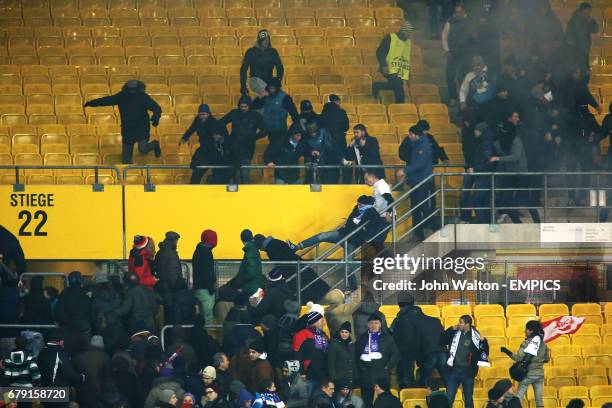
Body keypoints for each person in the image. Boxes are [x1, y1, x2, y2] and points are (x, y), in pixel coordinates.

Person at [83, 80, 161, 164]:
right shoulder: (123, 96)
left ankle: (155, 144)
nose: (132, 92)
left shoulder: (142, 97)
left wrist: (156, 117)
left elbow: (156, 108)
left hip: (141, 127)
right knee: (126, 160)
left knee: (143, 148)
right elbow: (107, 100)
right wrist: (91, 103)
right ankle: (128, 175)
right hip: (128, 128)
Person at [491, 112, 541, 224]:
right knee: (505, 202)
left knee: (526, 201)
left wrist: (498, 159)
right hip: (511, 175)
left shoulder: (516, 140)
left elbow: (515, 157)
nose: (502, 132)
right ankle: (518, 224)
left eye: (504, 130)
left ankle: (538, 224)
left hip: (521, 175)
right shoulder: (504, 142)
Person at [440, 315, 490, 408]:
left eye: (461, 322)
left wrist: (484, 341)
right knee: (449, 398)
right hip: (454, 371)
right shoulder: (454, 333)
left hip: (468, 372)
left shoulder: (476, 336)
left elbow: (485, 351)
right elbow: (441, 341)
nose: (459, 324)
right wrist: (451, 329)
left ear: (467, 324)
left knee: (468, 400)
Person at [355, 312, 400, 408]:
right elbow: (355, 356)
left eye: (376, 323)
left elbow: (396, 354)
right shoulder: (361, 338)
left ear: (380, 324)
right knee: (367, 403)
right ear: (367, 325)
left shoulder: (387, 338)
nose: (373, 325)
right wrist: (360, 369)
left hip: (382, 377)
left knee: (383, 403)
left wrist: (388, 366)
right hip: (366, 377)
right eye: (371, 323)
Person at [500, 320, 549, 408]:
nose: (525, 331)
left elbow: (518, 358)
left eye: (526, 329)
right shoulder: (543, 344)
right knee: (539, 400)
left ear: (531, 331)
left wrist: (506, 351)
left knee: (518, 398)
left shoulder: (526, 343)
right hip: (539, 375)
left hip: (527, 375)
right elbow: (546, 359)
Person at [219, 95, 265, 184]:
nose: (243, 108)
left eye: (245, 106)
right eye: (241, 106)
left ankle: (247, 196)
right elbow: (220, 123)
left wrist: (253, 137)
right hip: (233, 149)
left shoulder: (256, 116)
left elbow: (264, 130)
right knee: (235, 175)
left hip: (247, 149)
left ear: (249, 106)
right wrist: (227, 137)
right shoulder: (234, 113)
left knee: (244, 174)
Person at [403, 125, 435, 241]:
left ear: (416, 135)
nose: (409, 136)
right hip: (415, 180)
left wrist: (405, 170)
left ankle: (432, 226)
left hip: (423, 180)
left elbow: (420, 164)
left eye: (410, 134)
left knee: (422, 205)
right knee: (415, 207)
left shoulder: (424, 147)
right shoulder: (416, 146)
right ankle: (419, 233)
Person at [373, 21, 414, 103]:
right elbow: (379, 52)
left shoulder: (408, 42)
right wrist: (384, 64)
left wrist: (408, 71)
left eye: (410, 33)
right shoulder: (390, 38)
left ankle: (377, 86)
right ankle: (400, 106)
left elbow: (405, 57)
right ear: (403, 31)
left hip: (400, 69)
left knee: (396, 85)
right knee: (399, 88)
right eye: (408, 33)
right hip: (388, 67)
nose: (409, 35)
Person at [252, 78, 299, 146]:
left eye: (273, 88)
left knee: (275, 147)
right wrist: (260, 97)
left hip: (279, 129)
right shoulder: (265, 96)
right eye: (270, 88)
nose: (271, 90)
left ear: (277, 88)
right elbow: (254, 106)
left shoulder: (285, 98)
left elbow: (294, 113)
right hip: (267, 127)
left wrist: (296, 127)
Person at [464, 122, 496, 224]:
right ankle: (487, 222)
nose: (475, 131)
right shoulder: (484, 142)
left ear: (481, 131)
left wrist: (475, 169)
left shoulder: (485, 143)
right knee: (483, 201)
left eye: (476, 130)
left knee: (477, 200)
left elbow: (488, 162)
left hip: (484, 176)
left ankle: (483, 222)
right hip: (483, 175)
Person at [442, 2, 472, 103]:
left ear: (464, 12)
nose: (458, 14)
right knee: (450, 75)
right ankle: (453, 97)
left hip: (466, 55)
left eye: (460, 12)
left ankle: (464, 99)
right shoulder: (450, 22)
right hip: (453, 53)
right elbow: (444, 36)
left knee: (463, 77)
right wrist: (446, 50)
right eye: (456, 12)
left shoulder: (469, 22)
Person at [293, 304, 329, 388]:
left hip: (322, 375)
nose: (323, 323)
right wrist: (301, 373)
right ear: (315, 321)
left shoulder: (324, 335)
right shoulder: (301, 334)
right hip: (308, 376)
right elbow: (297, 355)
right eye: (321, 320)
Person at [390, 292, 421, 388]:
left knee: (405, 376)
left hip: (404, 350)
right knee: (408, 375)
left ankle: (405, 392)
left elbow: (392, 330)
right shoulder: (419, 315)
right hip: (414, 349)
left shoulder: (400, 317)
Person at [240, 29, 284, 95]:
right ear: (259, 41)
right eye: (263, 40)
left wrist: (278, 80)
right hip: (255, 79)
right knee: (267, 93)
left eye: (267, 40)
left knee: (281, 96)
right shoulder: (251, 52)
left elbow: (279, 67)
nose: (266, 42)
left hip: (269, 79)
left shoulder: (273, 52)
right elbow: (243, 69)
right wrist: (243, 86)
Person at [74, 335, 112, 407]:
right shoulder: (105, 356)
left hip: (81, 392)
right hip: (98, 392)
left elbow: (74, 374)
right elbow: (108, 375)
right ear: (102, 345)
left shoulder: (78, 356)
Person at [192, 229, 218, 324]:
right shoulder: (206, 253)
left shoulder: (198, 251)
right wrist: (211, 287)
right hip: (206, 289)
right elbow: (207, 272)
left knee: (200, 315)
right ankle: (207, 335)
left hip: (198, 287)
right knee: (208, 316)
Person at [304, 120, 341, 184]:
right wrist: (311, 152)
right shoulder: (307, 138)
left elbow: (331, 147)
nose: (313, 134)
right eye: (311, 132)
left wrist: (321, 154)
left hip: (327, 164)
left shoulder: (324, 133)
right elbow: (305, 149)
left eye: (314, 132)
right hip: (315, 163)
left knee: (328, 184)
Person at [321, 95, 350, 174]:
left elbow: (322, 125)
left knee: (329, 167)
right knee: (341, 166)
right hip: (340, 140)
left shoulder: (324, 112)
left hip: (327, 142)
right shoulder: (342, 112)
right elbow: (346, 127)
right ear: (336, 101)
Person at [156, 231, 182, 320]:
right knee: (171, 312)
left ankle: (165, 331)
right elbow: (173, 271)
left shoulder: (160, 252)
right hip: (170, 288)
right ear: (173, 240)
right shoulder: (171, 253)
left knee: (165, 311)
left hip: (162, 285)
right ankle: (169, 332)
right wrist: (176, 286)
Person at [565, 2, 598, 72]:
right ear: (583, 10)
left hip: (584, 47)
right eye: (588, 9)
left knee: (584, 67)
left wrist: (591, 22)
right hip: (576, 47)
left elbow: (595, 30)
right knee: (577, 67)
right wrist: (571, 43)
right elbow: (569, 31)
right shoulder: (574, 19)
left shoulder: (589, 19)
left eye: (590, 10)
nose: (589, 11)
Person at [327, 322, 358, 389]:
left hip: (349, 380)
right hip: (338, 381)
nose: (344, 334)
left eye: (346, 332)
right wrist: (334, 379)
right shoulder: (334, 344)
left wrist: (355, 377)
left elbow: (353, 363)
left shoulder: (352, 345)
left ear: (349, 333)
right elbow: (330, 363)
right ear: (339, 332)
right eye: (342, 332)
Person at [237, 229, 263, 296]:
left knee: (249, 305)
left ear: (242, 239)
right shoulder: (253, 249)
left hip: (250, 288)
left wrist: (241, 279)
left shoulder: (250, 251)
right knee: (254, 305)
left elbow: (251, 270)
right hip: (255, 286)